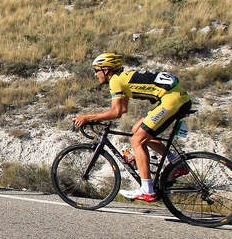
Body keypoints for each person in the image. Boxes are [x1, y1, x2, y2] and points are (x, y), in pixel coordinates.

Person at [73, 52, 192, 202]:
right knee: (137, 130)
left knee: (137, 140)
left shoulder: (115, 81)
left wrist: (86, 117)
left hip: (171, 101)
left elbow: (116, 112)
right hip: (177, 99)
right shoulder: (123, 78)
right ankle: (176, 162)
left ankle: (147, 190)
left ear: (106, 69)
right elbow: (122, 109)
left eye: (97, 70)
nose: (96, 74)